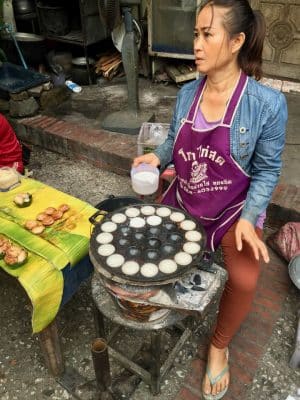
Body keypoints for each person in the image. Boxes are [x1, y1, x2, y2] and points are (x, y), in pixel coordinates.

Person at [133, 1, 288, 399]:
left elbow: (268, 170)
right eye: (195, 35)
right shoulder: (187, 93)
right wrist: (158, 156)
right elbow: (172, 142)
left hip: (232, 209)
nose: (196, 45)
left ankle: (219, 346)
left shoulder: (266, 105)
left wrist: (249, 217)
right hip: (187, 195)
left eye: (207, 34)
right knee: (150, 245)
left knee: (244, 277)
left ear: (236, 41)